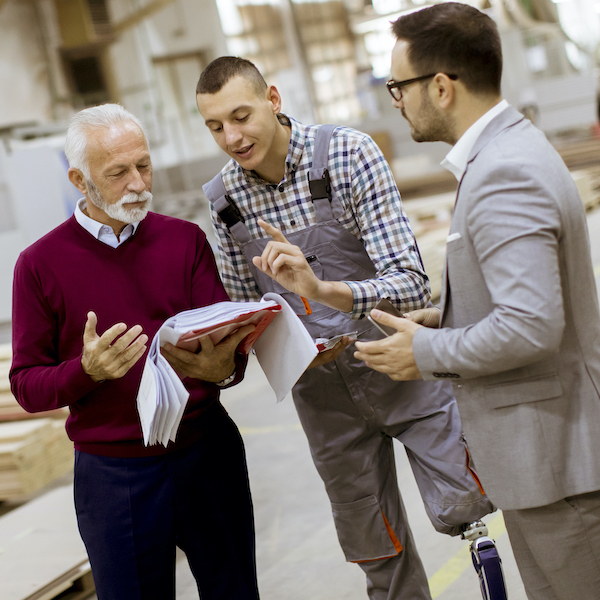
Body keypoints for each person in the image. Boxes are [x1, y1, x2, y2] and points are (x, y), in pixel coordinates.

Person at [196, 56, 494, 600]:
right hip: (324, 401)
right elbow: (247, 314)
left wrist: (325, 293)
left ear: (274, 99)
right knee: (377, 555)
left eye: (241, 116)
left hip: (402, 369)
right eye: (215, 126)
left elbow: (409, 283)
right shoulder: (224, 202)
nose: (231, 137)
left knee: (472, 512)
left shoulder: (348, 155)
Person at [354, 4, 600, 599]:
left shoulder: (502, 173)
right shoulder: (508, 151)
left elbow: (531, 327)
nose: (397, 101)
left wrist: (429, 351)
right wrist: (449, 317)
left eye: (399, 86)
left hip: (556, 462)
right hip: (548, 460)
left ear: (441, 86)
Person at [9, 104, 260, 600]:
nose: (138, 184)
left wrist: (226, 368)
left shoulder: (184, 240)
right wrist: (85, 372)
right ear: (79, 180)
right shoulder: (38, 265)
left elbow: (226, 345)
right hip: (114, 474)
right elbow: (26, 387)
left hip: (206, 453)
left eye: (143, 166)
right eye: (118, 173)